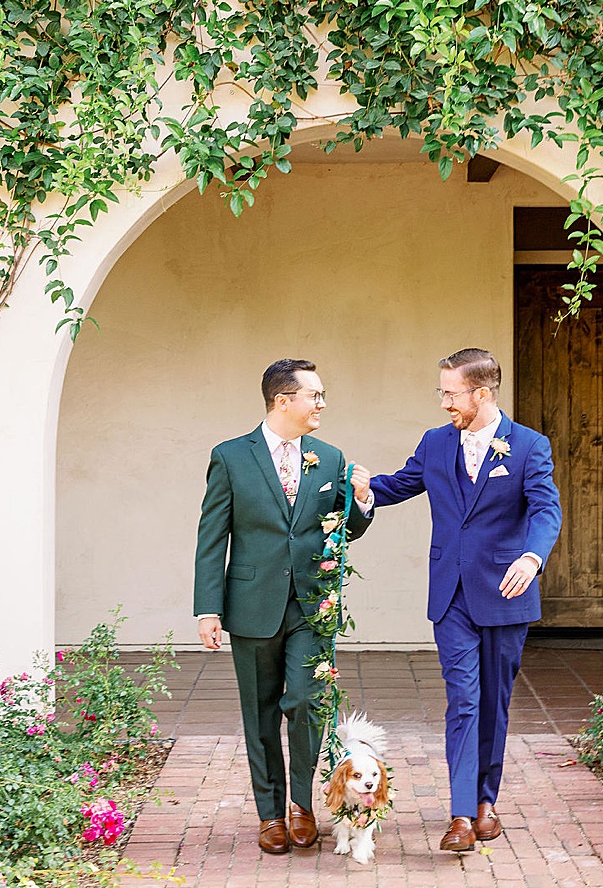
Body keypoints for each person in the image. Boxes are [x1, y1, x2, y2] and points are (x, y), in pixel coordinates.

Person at [353, 347, 561, 851]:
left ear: (482, 393)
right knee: (463, 701)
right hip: (451, 597)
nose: (445, 403)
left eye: (452, 394)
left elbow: (545, 510)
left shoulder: (529, 446)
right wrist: (362, 491)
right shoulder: (435, 442)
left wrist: (531, 559)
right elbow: (400, 485)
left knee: (495, 702)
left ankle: (488, 801)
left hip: (506, 593)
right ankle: (463, 815)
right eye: (442, 393)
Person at [194, 358, 373, 855]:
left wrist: (360, 499)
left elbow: (345, 527)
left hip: (313, 605)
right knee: (260, 712)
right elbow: (213, 536)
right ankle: (270, 814)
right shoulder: (230, 457)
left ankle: (301, 806)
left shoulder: (330, 456)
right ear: (282, 401)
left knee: (305, 702)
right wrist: (208, 608)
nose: (322, 403)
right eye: (314, 395)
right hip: (251, 604)